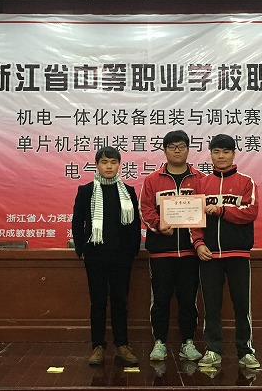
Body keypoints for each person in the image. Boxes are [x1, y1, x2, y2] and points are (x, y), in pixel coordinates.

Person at [191, 134, 260, 369]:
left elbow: (250, 212)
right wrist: (198, 243)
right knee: (211, 306)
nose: (221, 156)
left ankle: (246, 351)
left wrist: (222, 210)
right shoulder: (202, 184)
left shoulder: (246, 182)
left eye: (226, 152)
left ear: (233, 154)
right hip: (209, 256)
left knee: (242, 306)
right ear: (210, 154)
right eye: (216, 151)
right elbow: (194, 219)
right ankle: (213, 350)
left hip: (238, 255)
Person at [72, 146, 141, 366]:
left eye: (113, 162)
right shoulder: (86, 190)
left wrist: (132, 250)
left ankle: (122, 345)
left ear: (119, 165)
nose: (109, 166)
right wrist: (81, 248)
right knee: (98, 302)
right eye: (104, 162)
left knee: (120, 301)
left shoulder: (128, 191)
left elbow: (135, 224)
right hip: (95, 256)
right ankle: (98, 346)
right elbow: (77, 221)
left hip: (122, 256)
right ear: (97, 165)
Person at [139, 130, 205, 362]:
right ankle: (159, 342)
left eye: (181, 146)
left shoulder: (199, 179)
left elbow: (203, 211)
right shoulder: (152, 180)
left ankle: (188, 342)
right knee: (160, 300)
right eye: (172, 146)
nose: (177, 151)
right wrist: (158, 225)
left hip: (190, 252)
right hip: (161, 252)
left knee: (188, 300)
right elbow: (145, 209)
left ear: (188, 149)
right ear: (165, 150)